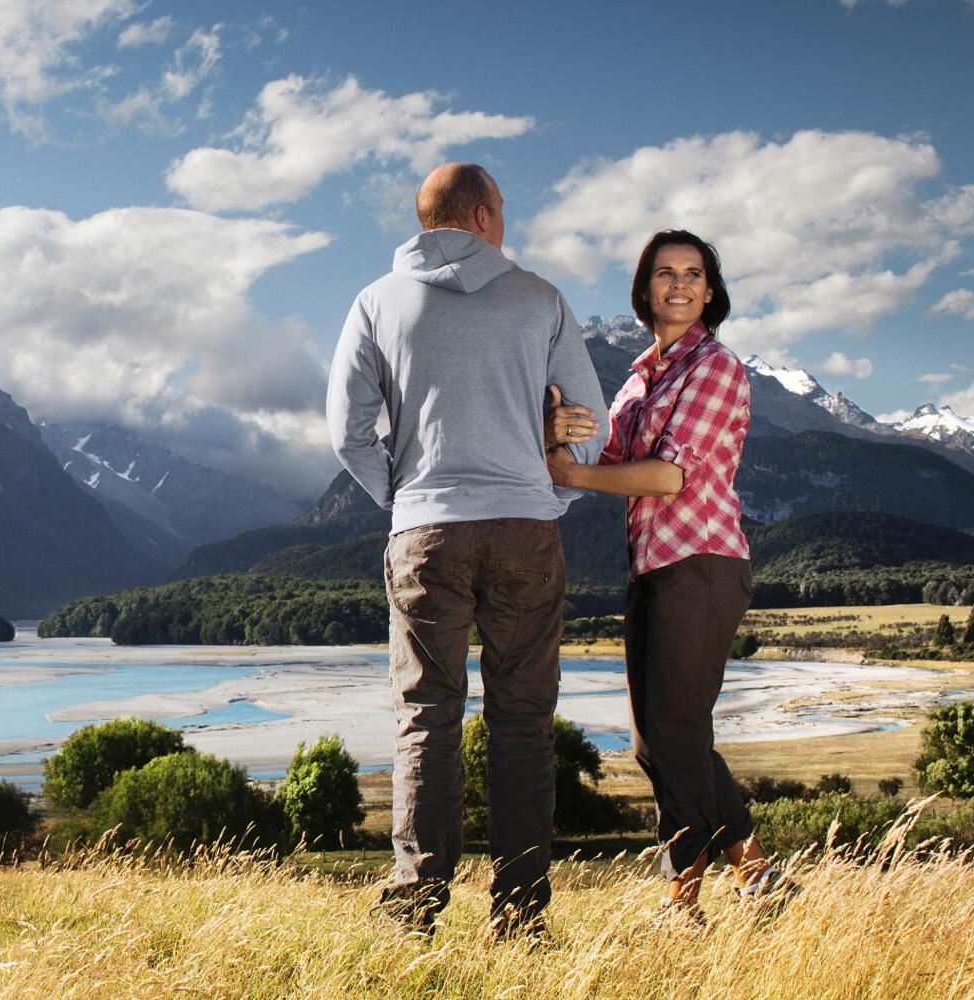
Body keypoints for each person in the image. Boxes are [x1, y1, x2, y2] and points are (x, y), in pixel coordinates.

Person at [326, 163, 607, 938]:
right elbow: (593, 425)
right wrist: (554, 495)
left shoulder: (376, 302)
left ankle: (414, 908)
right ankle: (520, 917)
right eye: (504, 210)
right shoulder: (541, 300)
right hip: (525, 529)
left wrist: (406, 496)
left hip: (426, 532)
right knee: (522, 722)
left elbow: (347, 430)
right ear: (483, 216)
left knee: (426, 715)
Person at [545, 229, 795, 924]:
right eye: (665, 273)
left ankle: (721, 884)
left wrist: (576, 472)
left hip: (704, 563)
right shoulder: (636, 379)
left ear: (710, 292)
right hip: (654, 569)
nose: (678, 285)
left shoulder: (715, 367)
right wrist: (560, 429)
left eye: (692, 274)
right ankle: (738, 881)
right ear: (645, 288)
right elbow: (613, 447)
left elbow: (667, 475)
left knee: (675, 730)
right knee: (659, 738)